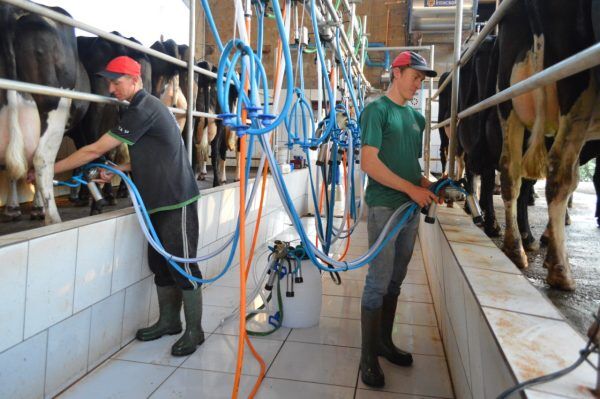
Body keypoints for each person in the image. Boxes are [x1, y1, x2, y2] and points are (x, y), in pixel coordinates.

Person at [51, 56, 204, 356]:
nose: (110, 88)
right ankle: (169, 321)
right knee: (160, 265)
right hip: (155, 202)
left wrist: (49, 169)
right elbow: (151, 153)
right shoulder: (138, 109)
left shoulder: (144, 108)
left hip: (175, 199)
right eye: (109, 81)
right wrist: (119, 168)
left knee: (182, 265)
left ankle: (195, 331)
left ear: (135, 81)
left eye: (116, 82)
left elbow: (94, 149)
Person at [359, 51, 439, 387]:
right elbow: (370, 164)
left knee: (396, 278)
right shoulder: (376, 111)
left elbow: (407, 162)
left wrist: (425, 183)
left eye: (422, 80)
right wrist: (411, 188)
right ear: (397, 72)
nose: (419, 85)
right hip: (384, 208)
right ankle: (367, 358)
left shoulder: (416, 119)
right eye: (415, 77)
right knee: (378, 280)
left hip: (409, 209)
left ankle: (384, 342)